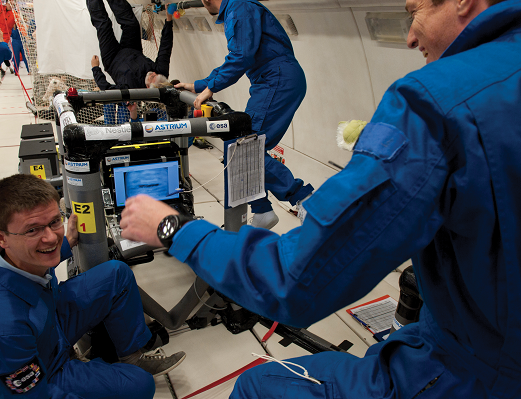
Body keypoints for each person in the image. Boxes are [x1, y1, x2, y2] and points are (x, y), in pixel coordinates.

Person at [119, 0, 521, 397]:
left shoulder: (435, 102)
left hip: (481, 370)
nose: (411, 36)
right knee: (246, 147)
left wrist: (172, 228)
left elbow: (295, 283)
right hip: (488, 326)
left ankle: (294, 199)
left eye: (413, 12)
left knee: (257, 386)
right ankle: (272, 206)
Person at [0, 174, 185, 398]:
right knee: (140, 385)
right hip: (44, 369)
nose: (50, 238)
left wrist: (67, 241)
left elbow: (40, 250)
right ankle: (90, 369)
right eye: (33, 230)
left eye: (53, 222)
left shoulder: (7, 253)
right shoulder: (2, 334)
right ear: (1, 237)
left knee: (116, 273)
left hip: (46, 321)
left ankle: (132, 359)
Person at [174, 0, 313, 230]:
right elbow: (236, 57)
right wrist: (199, 84)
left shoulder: (239, 8)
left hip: (276, 80)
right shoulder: (238, 8)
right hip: (269, 81)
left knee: (242, 146)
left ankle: (303, 198)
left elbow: (241, 56)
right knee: (238, 144)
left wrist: (211, 87)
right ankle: (261, 211)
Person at [86, 0, 174, 90]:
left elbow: (107, 89)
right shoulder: (160, 73)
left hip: (112, 60)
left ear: (147, 87)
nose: (153, 73)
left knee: (103, 26)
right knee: (131, 24)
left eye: (151, 77)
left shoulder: (133, 90)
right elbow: (165, 49)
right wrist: (169, 20)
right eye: (155, 74)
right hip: (132, 50)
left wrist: (95, 68)